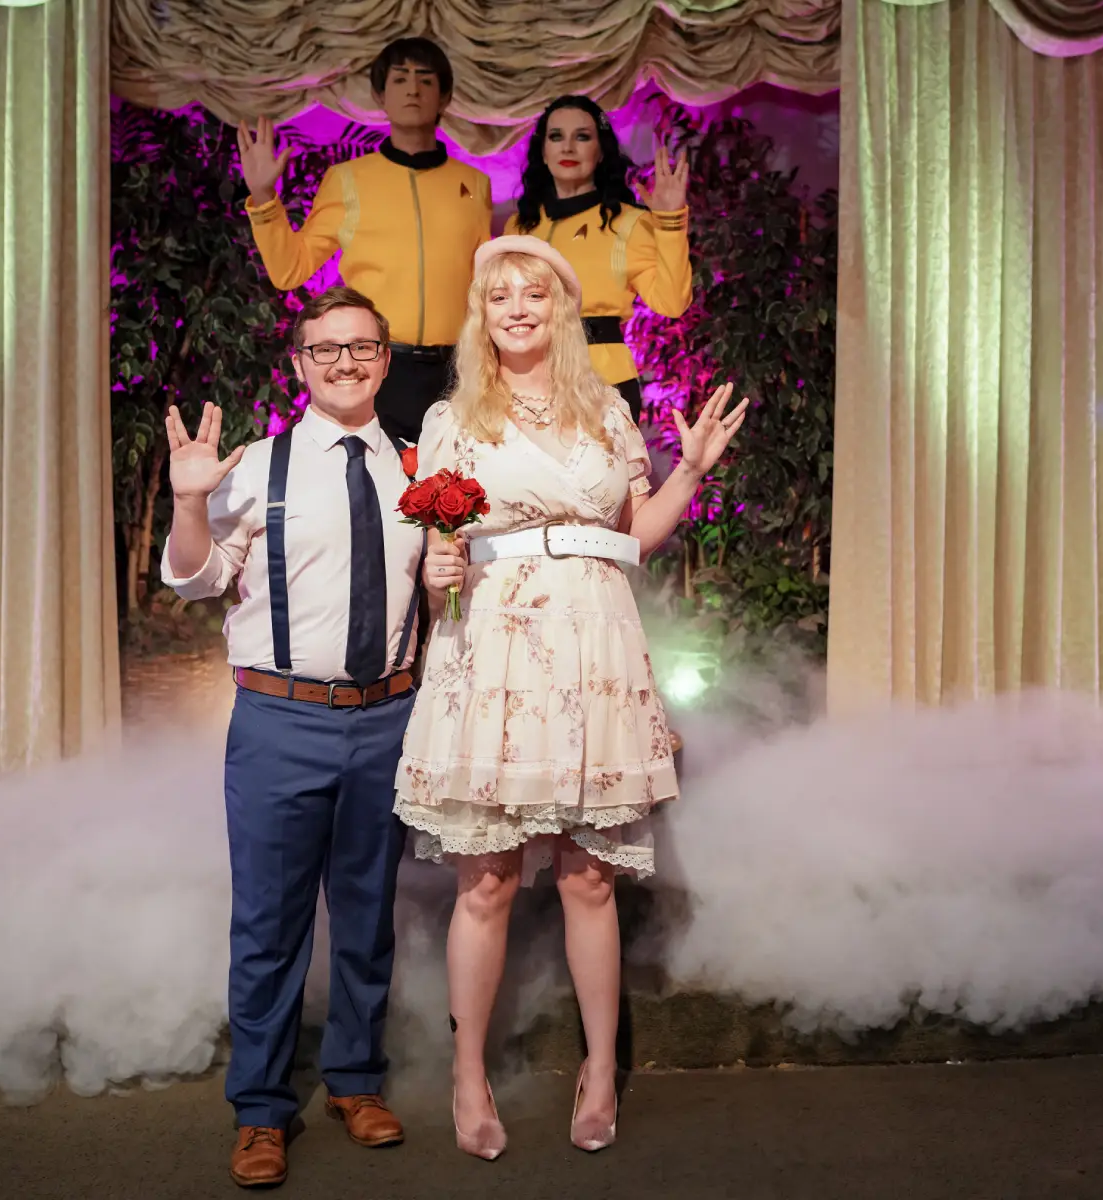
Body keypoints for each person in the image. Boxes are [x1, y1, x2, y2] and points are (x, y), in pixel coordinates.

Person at [394, 237, 746, 1160]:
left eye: (535, 293)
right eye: (499, 294)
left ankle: (599, 1068)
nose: (517, 307)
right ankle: (468, 1073)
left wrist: (692, 469)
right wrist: (437, 578)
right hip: (498, 641)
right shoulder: (452, 419)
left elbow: (639, 537)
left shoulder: (609, 412)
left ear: (561, 307)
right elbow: (440, 556)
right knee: (489, 877)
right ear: (482, 313)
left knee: (590, 875)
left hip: (593, 640)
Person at [162, 287, 426, 1189]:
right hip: (279, 721)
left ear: (386, 359)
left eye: (362, 347)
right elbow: (195, 581)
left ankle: (355, 1081)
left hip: (390, 716)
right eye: (327, 349)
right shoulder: (258, 466)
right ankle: (263, 1110)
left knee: (365, 918)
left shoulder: (424, 470)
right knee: (270, 925)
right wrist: (190, 501)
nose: (345, 362)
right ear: (301, 364)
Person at [237, 37, 493, 445]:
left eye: (426, 80)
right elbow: (290, 270)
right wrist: (265, 197)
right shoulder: (347, 179)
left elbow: (487, 285)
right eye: (400, 79)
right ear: (380, 95)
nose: (413, 89)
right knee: (375, 499)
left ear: (444, 96)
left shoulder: (475, 185)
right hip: (373, 370)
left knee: (457, 500)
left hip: (458, 374)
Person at [506, 95, 693, 426]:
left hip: (602, 383)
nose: (567, 148)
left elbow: (672, 302)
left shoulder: (630, 223)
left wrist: (670, 222)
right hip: (525, 381)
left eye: (582, 136)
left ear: (601, 150)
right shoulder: (520, 227)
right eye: (556, 137)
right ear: (543, 152)